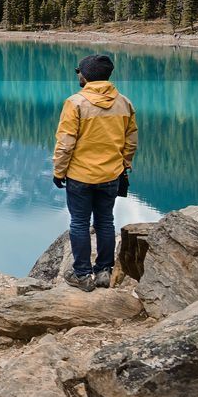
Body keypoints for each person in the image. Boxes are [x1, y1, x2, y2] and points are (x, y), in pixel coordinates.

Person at [52, 54, 138, 291]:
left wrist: (59, 171)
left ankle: (82, 275)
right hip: (111, 175)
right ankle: (103, 271)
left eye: (79, 71)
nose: (78, 74)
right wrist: (124, 164)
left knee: (79, 223)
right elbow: (131, 141)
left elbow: (66, 143)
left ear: (86, 75)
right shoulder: (124, 103)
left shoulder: (75, 103)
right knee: (105, 222)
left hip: (80, 176)